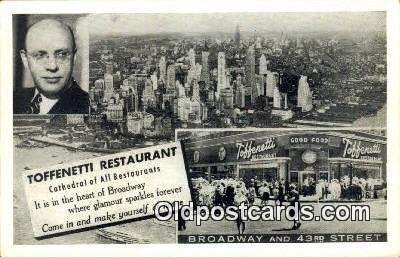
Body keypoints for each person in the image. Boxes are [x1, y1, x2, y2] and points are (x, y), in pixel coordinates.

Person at [14, 19, 89, 114]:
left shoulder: (90, 108)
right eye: (40, 55)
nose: (52, 66)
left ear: (73, 58)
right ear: (25, 60)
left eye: (62, 55)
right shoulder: (10, 100)